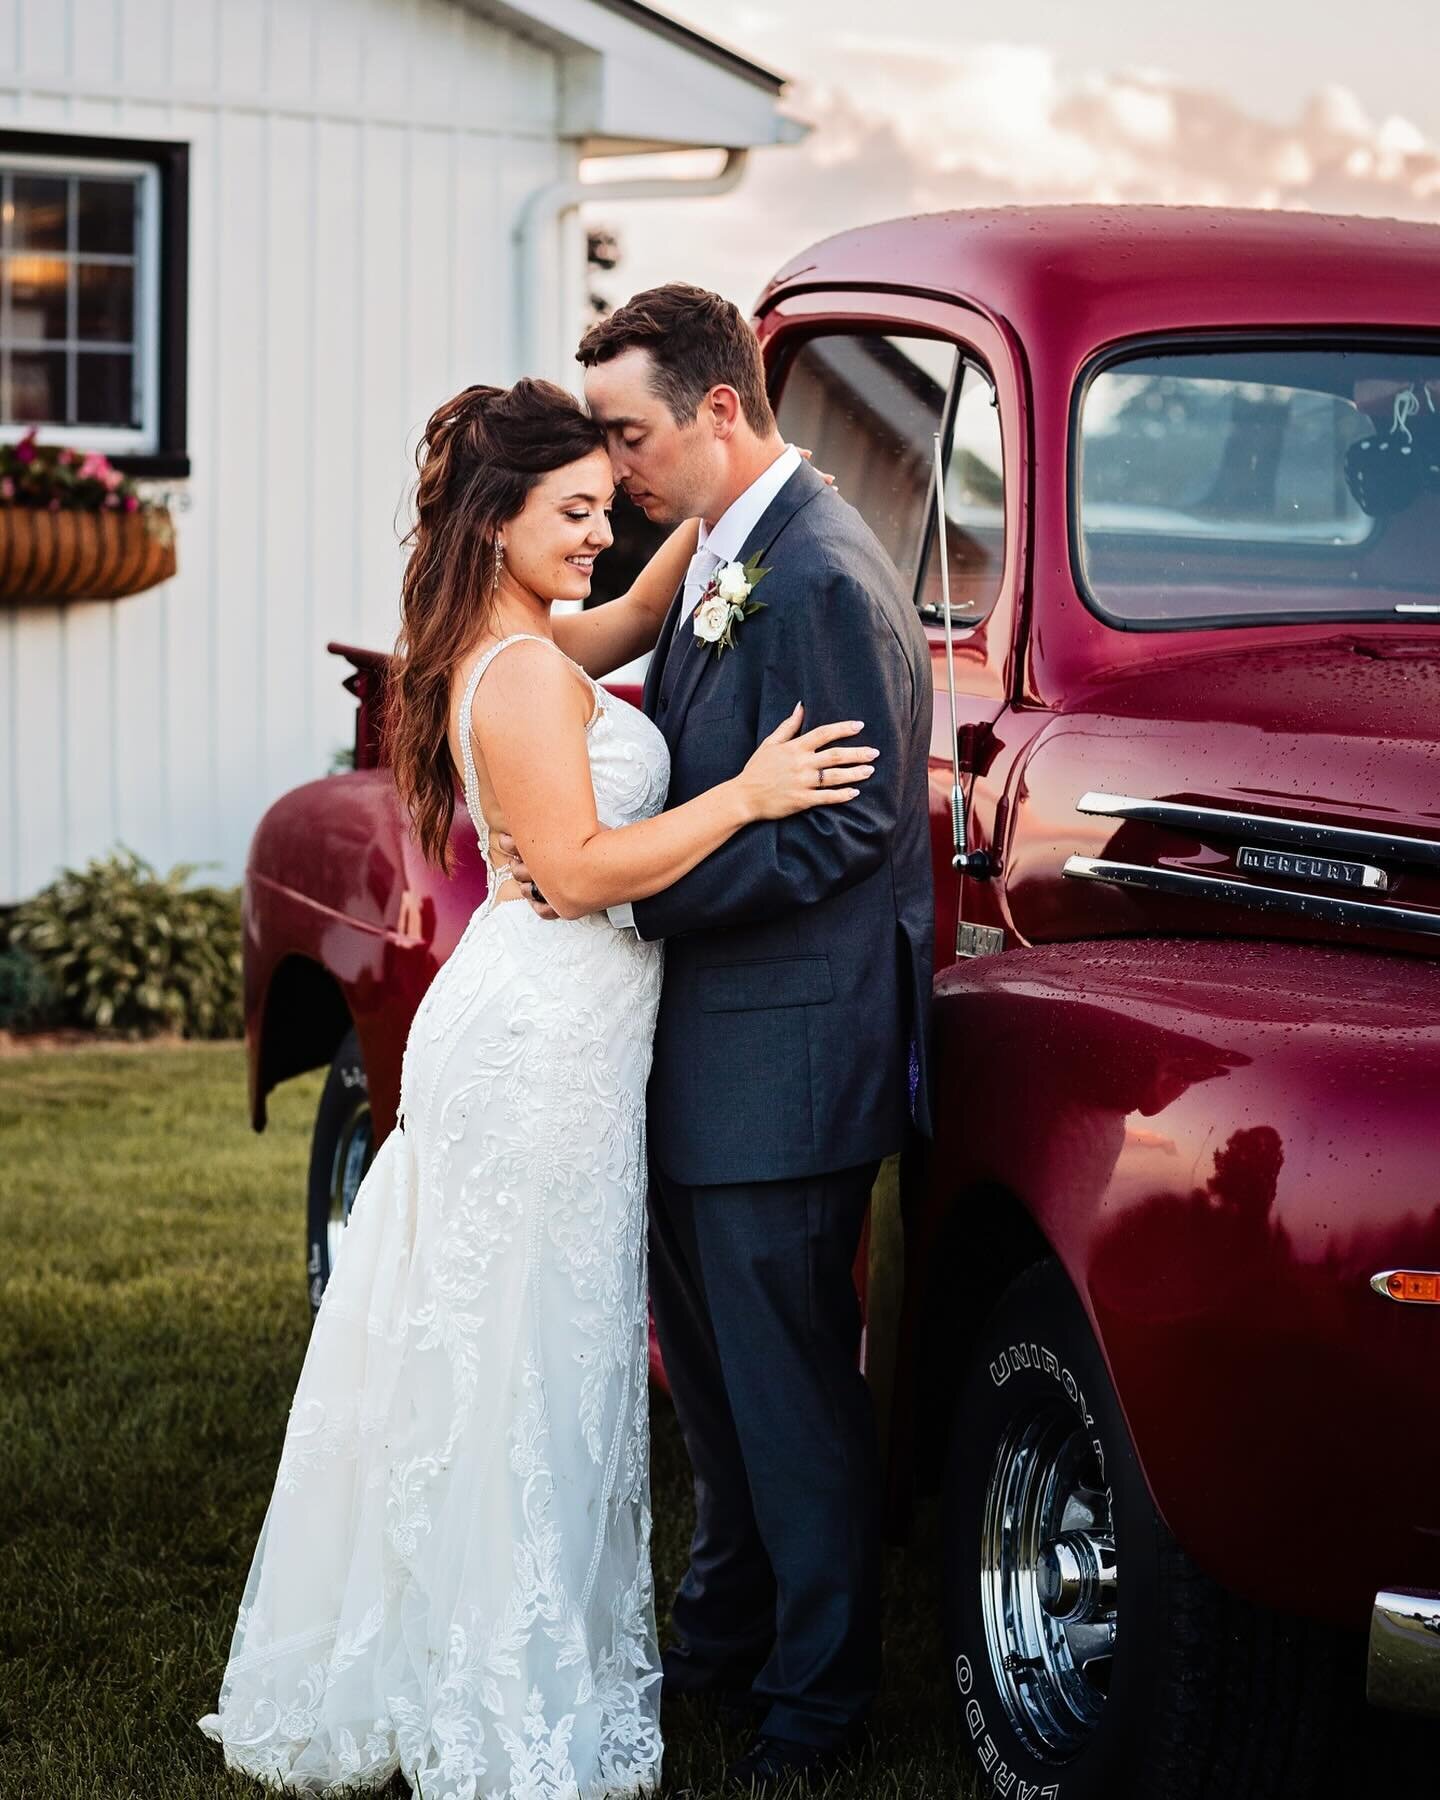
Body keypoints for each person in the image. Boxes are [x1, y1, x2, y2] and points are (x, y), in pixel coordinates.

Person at [198, 377, 876, 1799]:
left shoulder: (514, 637)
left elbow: (626, 624)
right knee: (522, 1354)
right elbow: (571, 873)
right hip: (538, 1037)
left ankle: (475, 1637)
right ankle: (486, 1677)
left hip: (556, 1031)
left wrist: (730, 497)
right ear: (495, 521)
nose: (600, 534)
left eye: (605, 505)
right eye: (571, 513)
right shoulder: (509, 673)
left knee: (527, 1346)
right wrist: (744, 795)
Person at [504, 284, 935, 1790]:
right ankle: (725, 1648)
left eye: (630, 434)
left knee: (795, 1403)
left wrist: (624, 900)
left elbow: (850, 831)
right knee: (724, 1397)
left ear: (720, 411)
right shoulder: (722, 552)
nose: (616, 468)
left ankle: (816, 1711)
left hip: (785, 1068)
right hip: (706, 1060)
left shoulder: (816, 575)